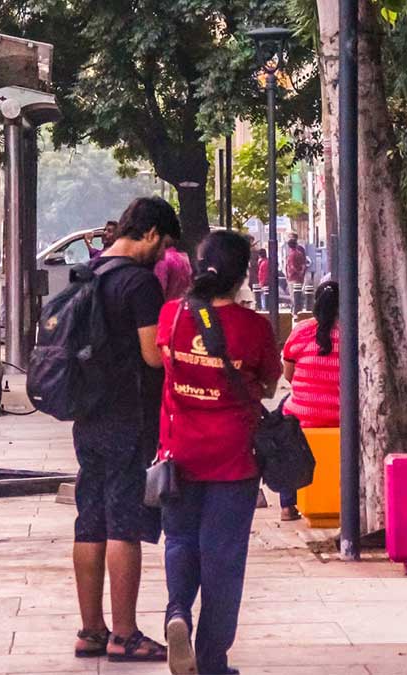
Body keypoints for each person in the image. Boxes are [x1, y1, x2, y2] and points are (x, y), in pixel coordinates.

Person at [157, 230, 282, 675]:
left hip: (178, 452)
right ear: (243, 274)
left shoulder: (172, 315)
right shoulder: (254, 327)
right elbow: (270, 384)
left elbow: (160, 362)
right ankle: (212, 660)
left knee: (180, 541)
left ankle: (177, 612)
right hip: (234, 458)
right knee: (223, 558)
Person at [70, 197, 181, 663]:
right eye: (164, 244)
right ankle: (124, 633)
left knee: (90, 518)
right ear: (150, 233)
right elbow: (153, 355)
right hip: (127, 413)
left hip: (87, 411)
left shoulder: (90, 272)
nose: (163, 254)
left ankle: (91, 630)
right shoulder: (139, 283)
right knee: (124, 521)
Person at [279, 280, 340, 521]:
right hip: (342, 414)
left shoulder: (301, 331)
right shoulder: (355, 332)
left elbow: (289, 375)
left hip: (303, 416)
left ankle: (287, 504)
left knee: (283, 420)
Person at [284, 234, 309, 312]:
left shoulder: (291, 254)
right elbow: (304, 264)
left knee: (293, 295)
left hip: (292, 277)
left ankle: (295, 310)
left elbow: (291, 266)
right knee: (298, 294)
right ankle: (298, 309)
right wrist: (301, 273)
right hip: (299, 277)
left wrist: (291, 274)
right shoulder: (300, 252)